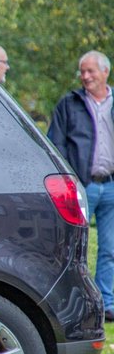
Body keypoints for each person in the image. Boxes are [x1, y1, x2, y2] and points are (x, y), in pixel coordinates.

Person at [47, 51, 114, 322]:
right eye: (82, 71)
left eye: (90, 71)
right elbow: (56, 143)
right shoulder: (69, 104)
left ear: (105, 72)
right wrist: (68, 180)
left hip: (110, 186)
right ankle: (74, 306)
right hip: (81, 187)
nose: (85, 76)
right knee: (72, 249)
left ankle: (106, 304)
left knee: (110, 249)